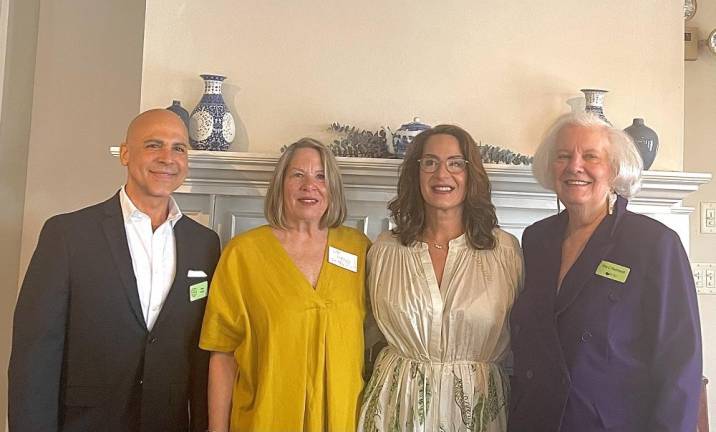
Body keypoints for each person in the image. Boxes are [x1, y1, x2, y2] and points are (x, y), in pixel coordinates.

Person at [8, 109, 221, 432]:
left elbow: (202, 355)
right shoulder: (68, 235)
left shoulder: (204, 244)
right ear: (125, 154)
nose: (168, 158)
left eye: (179, 148)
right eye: (153, 145)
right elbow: (34, 356)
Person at [508, 112, 702, 431]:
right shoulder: (536, 239)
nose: (574, 166)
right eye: (563, 156)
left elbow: (680, 362)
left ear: (614, 169)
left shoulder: (653, 244)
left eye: (590, 156)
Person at [358, 125, 523, 432]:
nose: (442, 174)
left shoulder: (504, 252)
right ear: (416, 173)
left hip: (476, 407)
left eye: (456, 163)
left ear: (470, 173)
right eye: (430, 162)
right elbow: (363, 332)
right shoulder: (385, 250)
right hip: (397, 405)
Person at [199, 138, 371, 431]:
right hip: (265, 418)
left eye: (321, 176)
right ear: (281, 184)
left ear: (333, 188)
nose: (309, 185)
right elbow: (223, 353)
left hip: (343, 418)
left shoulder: (359, 249)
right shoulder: (244, 254)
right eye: (297, 175)